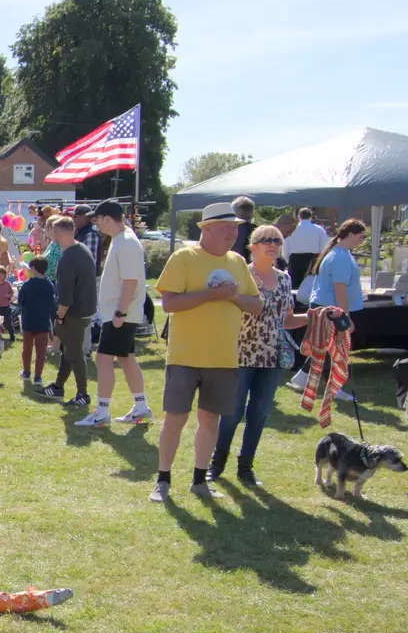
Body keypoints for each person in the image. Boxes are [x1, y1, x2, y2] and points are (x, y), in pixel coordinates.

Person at [150, 202, 262, 503]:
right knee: (175, 419)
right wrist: (212, 294)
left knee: (210, 420)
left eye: (235, 227)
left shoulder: (238, 262)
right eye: (227, 226)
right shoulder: (184, 257)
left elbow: (256, 305)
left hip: (223, 358)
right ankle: (163, 479)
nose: (233, 231)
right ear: (207, 228)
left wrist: (234, 296)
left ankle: (199, 480)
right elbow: (170, 303)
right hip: (185, 356)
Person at [210, 225, 309, 486]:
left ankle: (246, 467)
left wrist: (314, 316)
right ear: (253, 246)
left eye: (277, 240)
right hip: (241, 354)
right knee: (231, 414)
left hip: (272, 357)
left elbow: (286, 320)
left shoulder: (285, 279)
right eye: (266, 240)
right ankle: (216, 464)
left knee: (260, 413)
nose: (273, 244)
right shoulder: (241, 274)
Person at [77, 200, 153, 426]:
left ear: (107, 219)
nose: (96, 224)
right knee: (126, 358)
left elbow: (130, 281)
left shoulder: (127, 242)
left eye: (97, 219)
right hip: (120, 313)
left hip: (121, 314)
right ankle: (141, 407)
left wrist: (120, 312)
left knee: (102, 358)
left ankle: (101, 412)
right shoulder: (122, 240)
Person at [290, 217, 368, 400]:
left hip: (325, 306)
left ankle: (301, 378)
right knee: (331, 349)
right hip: (329, 308)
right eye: (361, 237)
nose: (361, 241)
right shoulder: (339, 256)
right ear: (350, 234)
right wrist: (346, 317)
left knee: (323, 347)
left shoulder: (338, 252)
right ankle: (334, 389)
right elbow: (339, 288)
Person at [36, 216, 97, 409]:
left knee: (75, 354)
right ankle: (58, 387)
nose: (47, 233)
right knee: (68, 351)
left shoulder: (67, 259)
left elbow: (65, 298)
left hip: (74, 313)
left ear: (57, 232)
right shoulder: (82, 249)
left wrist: (59, 318)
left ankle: (82, 395)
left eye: (49, 230)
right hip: (85, 310)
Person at [17, 256, 56, 384]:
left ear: (33, 269)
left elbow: (20, 302)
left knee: (27, 350)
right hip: (43, 323)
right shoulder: (49, 285)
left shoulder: (26, 285)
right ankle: (38, 376)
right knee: (41, 352)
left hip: (28, 322)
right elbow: (52, 304)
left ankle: (26, 371)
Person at [284, 207, 327, 288]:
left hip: (295, 260)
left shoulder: (292, 229)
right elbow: (324, 246)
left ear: (299, 217)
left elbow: (285, 247)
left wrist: (289, 261)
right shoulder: (319, 229)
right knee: (310, 287)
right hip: (312, 260)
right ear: (311, 217)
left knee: (295, 286)